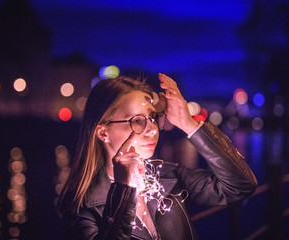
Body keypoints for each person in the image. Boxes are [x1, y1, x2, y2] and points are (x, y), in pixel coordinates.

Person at [58, 73, 257, 239]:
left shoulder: (169, 177)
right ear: (103, 132)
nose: (152, 129)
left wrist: (188, 123)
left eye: (153, 117)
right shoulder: (81, 205)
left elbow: (241, 186)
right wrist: (123, 190)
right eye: (138, 120)